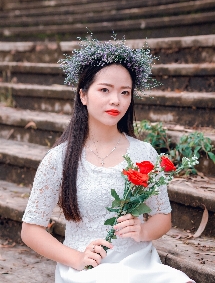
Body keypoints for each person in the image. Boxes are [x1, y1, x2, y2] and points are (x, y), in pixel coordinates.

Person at [21, 36, 195, 283]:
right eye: (104, 90)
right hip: (87, 269)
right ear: (83, 95)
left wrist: (143, 230)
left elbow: (162, 218)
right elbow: (30, 230)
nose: (116, 100)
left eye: (125, 92)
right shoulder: (59, 158)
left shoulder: (144, 153)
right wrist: (76, 258)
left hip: (138, 264)